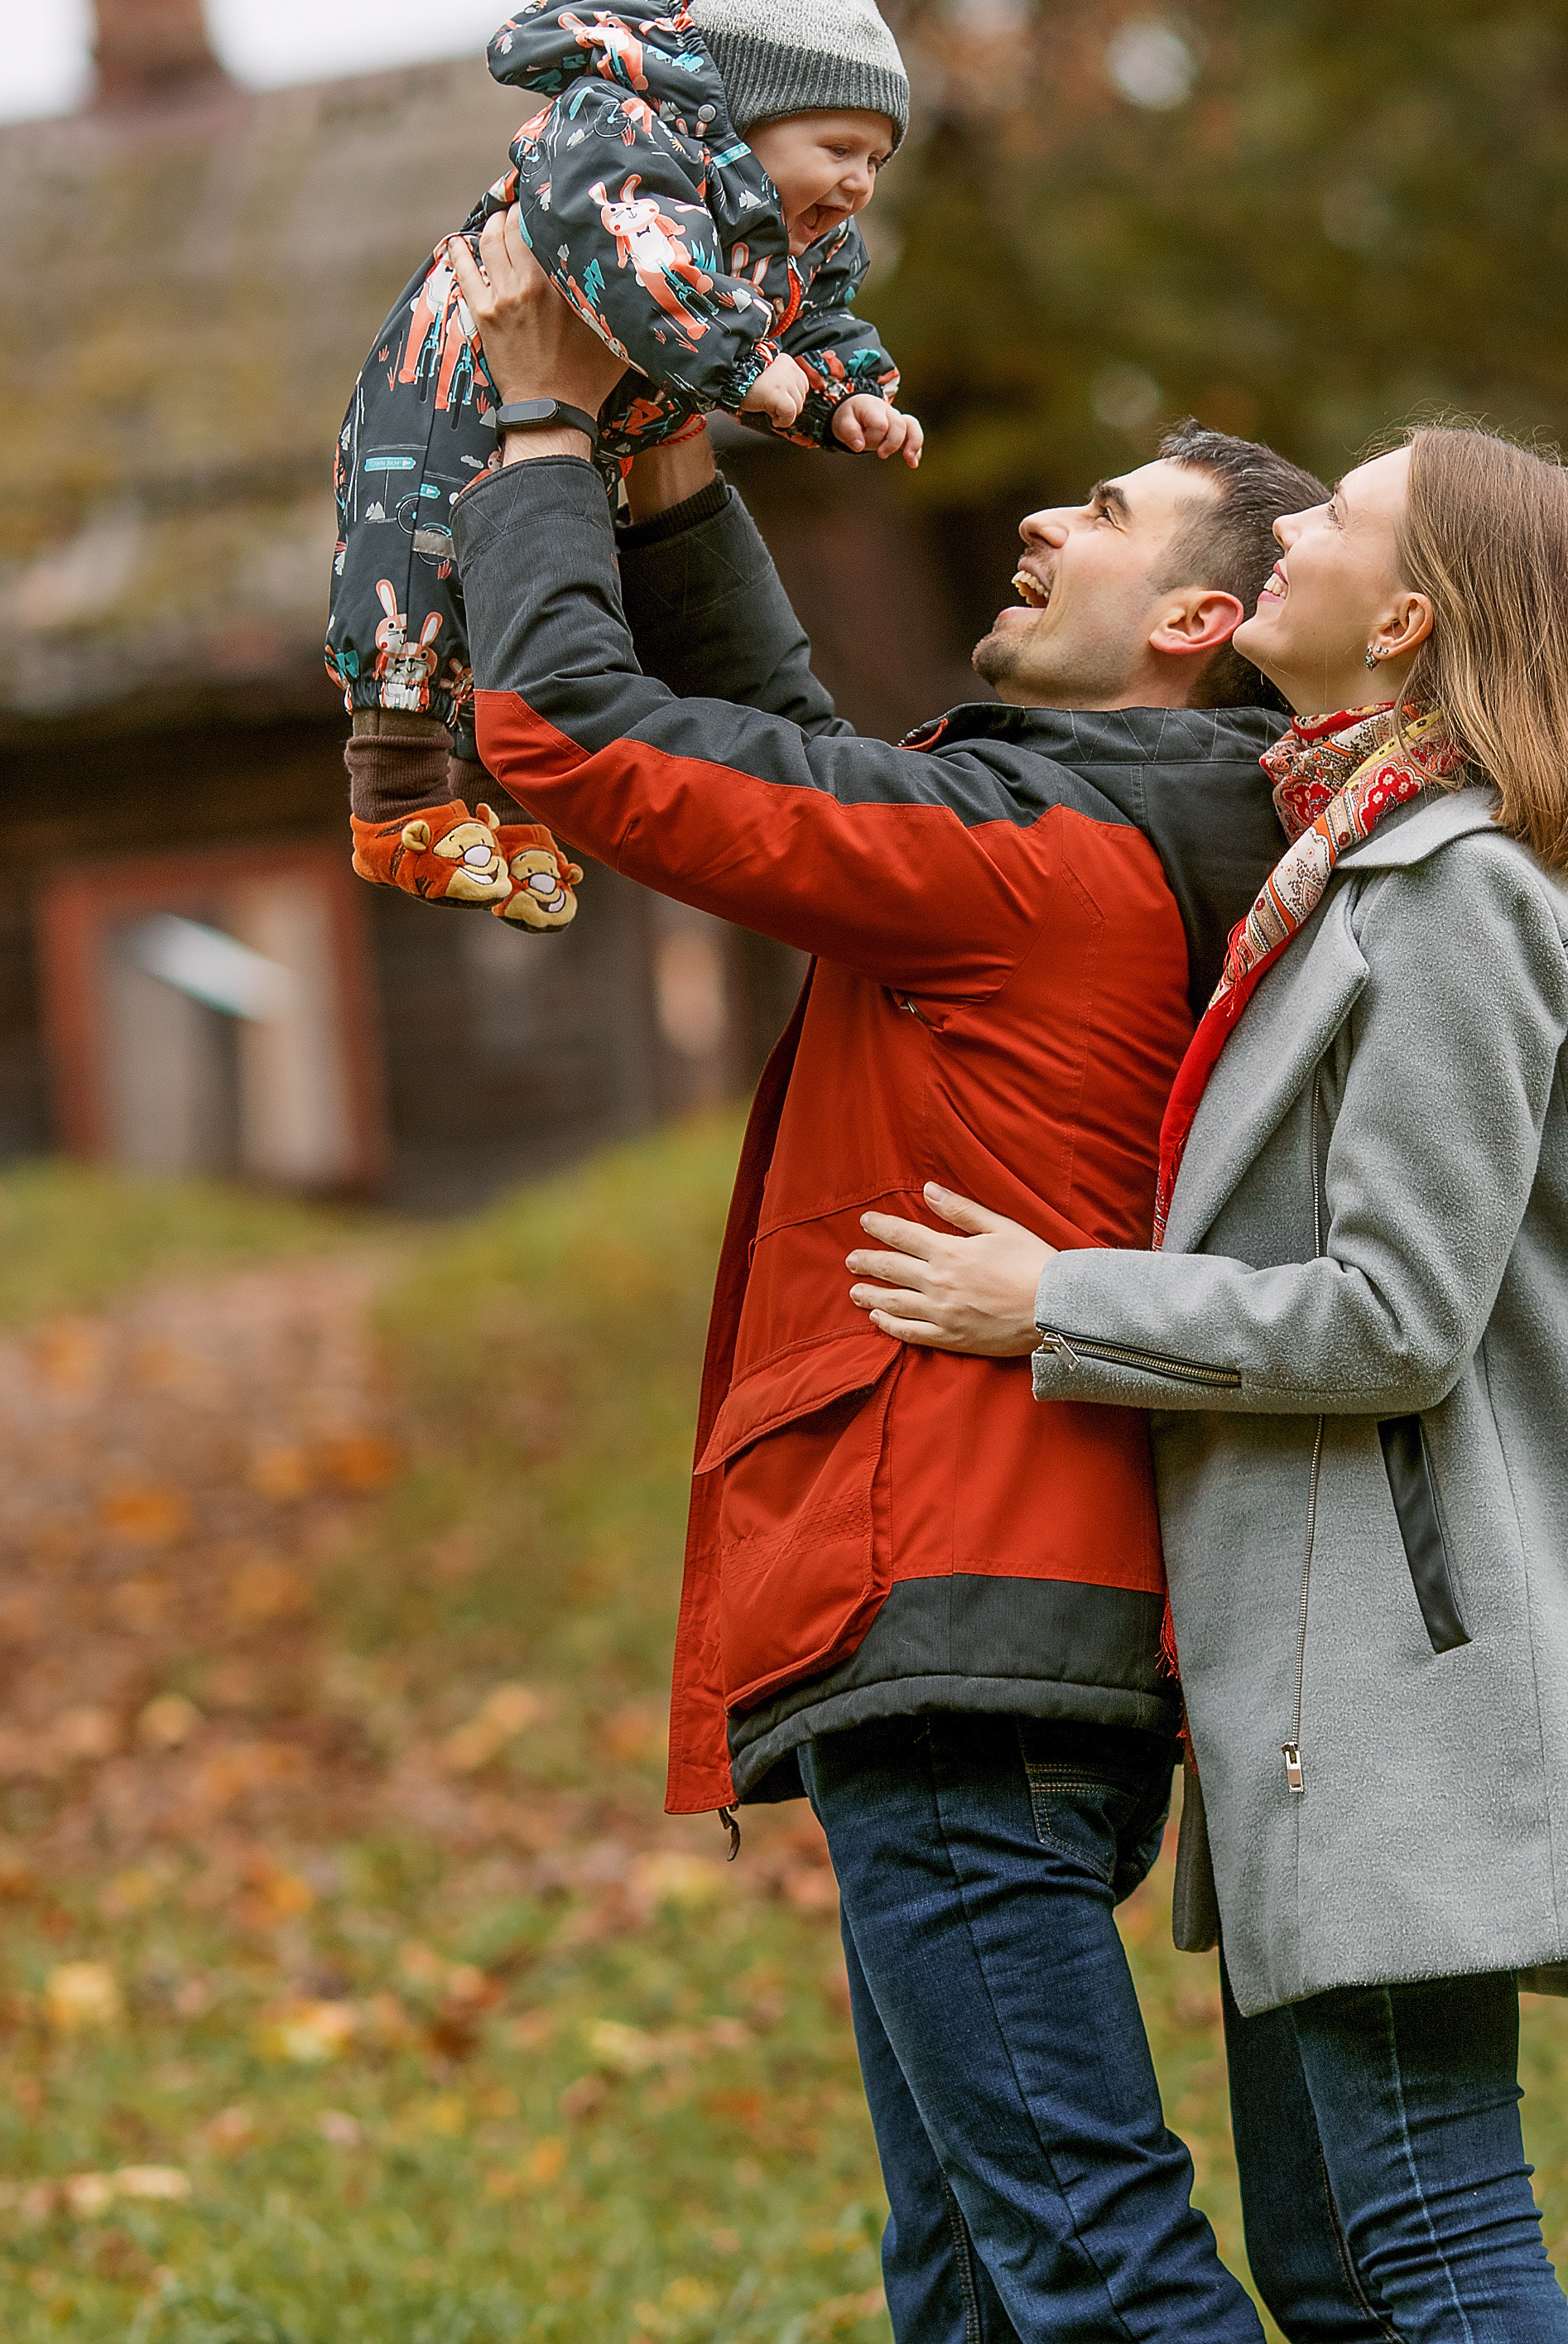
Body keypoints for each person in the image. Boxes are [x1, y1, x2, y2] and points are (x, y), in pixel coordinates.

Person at [445, 222, 1329, 2343]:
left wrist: (545, 423)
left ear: (1198, 619)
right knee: (966, 2279)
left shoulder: (1035, 872)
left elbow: (568, 732)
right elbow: (792, 749)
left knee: (1089, 2277)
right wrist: (664, 472)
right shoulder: (1074, 835)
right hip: (1011, 1647)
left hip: (956, 1641)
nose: (1041, 514)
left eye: (1102, 514)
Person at [844, 426, 1568, 2343]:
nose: (1290, 525)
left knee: (1419, 2233)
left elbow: (1395, 1312)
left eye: (1333, 511)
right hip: (1328, 1665)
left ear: (1401, 616)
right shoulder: (1340, 865)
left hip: (1410, 1668)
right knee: (1341, 2266)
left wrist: (1052, 1300)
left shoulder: (1456, 893)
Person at [325, 0, 919, 932]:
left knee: (542, 589)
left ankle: (511, 803)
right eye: (838, 145)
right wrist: (739, 363)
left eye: (878, 160)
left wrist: (845, 397)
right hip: (447, 394)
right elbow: (630, 253)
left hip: (587, 425)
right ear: (747, 111)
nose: (859, 184)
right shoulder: (618, 129)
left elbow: (819, 323)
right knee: (417, 572)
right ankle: (397, 802)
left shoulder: (796, 233)